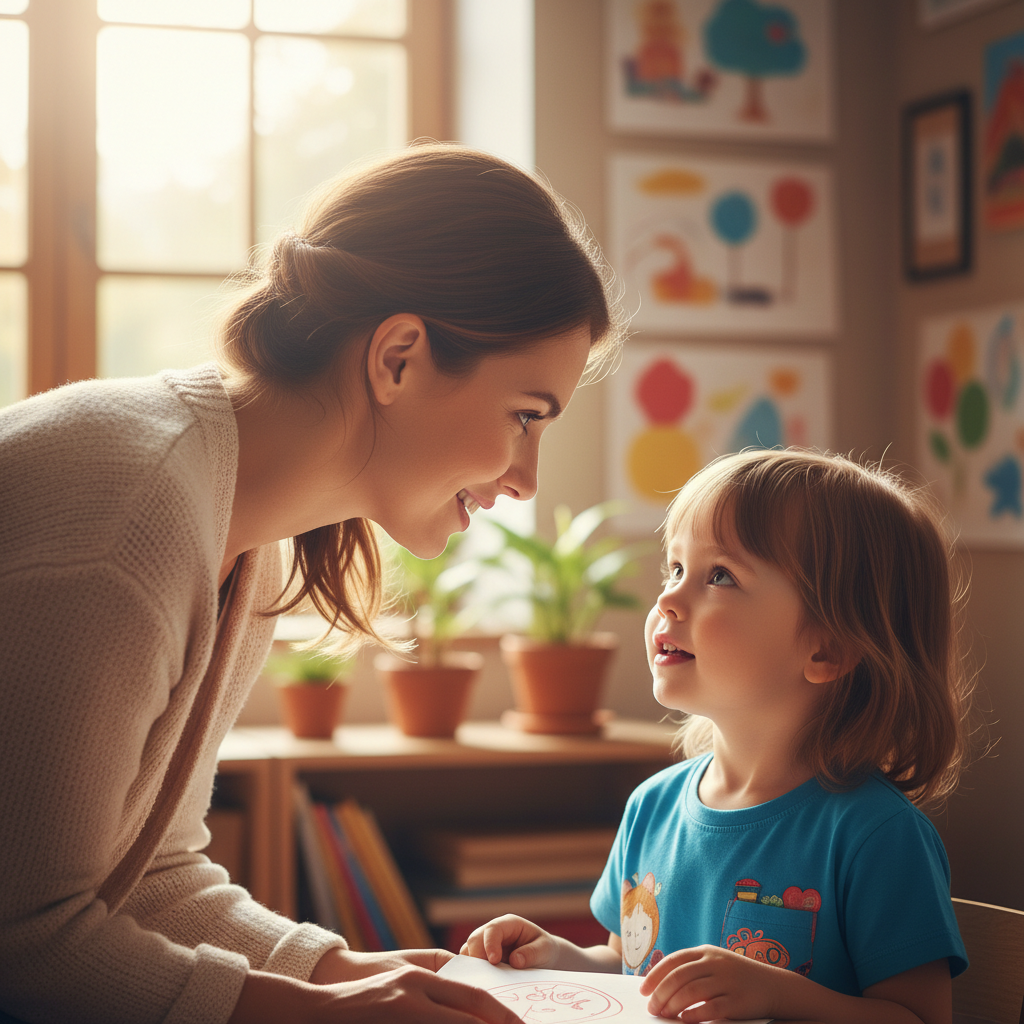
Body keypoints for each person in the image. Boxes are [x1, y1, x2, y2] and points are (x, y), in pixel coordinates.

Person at [0, 144, 623, 1024]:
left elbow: (153, 876)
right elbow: (22, 940)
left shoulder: (246, 529)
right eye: (524, 416)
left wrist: (347, 973)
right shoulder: (130, 517)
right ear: (398, 357)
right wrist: (327, 1014)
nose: (526, 478)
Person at [462, 449, 974, 1024]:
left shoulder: (876, 836)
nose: (667, 600)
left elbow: (921, 1019)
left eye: (720, 576)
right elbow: (630, 972)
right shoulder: (650, 807)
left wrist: (778, 995)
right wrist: (554, 956)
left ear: (827, 649)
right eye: (675, 569)